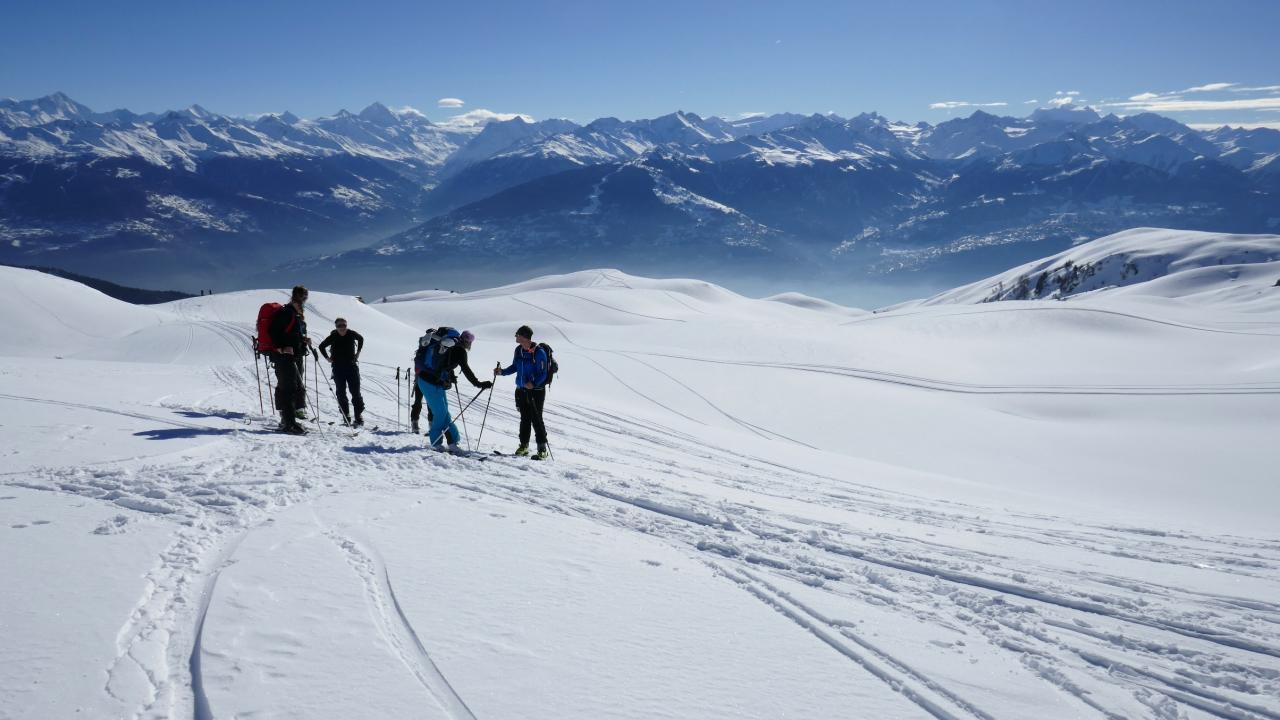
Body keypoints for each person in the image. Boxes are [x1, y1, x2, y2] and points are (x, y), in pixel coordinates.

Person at [416, 329, 492, 452]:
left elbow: (445, 363)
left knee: (445, 414)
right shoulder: (459, 351)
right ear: (468, 342)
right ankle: (436, 443)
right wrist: (478, 384)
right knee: (440, 414)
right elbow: (466, 369)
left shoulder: (450, 346)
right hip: (429, 382)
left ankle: (453, 443)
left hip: (431, 381)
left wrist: (450, 375)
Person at [495, 325, 550, 459]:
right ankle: (524, 446)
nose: (516, 337)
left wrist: (534, 383)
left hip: (536, 391)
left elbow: (543, 373)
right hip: (521, 390)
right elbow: (515, 366)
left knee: (537, 419)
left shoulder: (539, 352)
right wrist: (502, 372)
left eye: (518, 335)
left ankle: (542, 449)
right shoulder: (518, 350)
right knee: (524, 419)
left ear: (524, 337)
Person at [267, 285, 310, 434]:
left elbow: (291, 335)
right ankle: (289, 424)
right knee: (288, 388)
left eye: (304, 297)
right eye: (301, 297)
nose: (303, 300)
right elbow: (272, 331)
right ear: (295, 297)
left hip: (295, 356)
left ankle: (288, 420)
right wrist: (281, 348)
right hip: (284, 357)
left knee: (294, 386)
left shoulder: (295, 314)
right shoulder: (286, 313)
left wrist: (303, 341)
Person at [319, 317, 365, 426]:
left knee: (355, 392)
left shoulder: (351, 333)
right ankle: (346, 415)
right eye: (339, 326)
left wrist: (358, 352)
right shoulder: (333, 336)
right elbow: (321, 346)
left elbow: (361, 339)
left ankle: (358, 415)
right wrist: (327, 358)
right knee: (341, 392)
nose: (342, 328)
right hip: (338, 368)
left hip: (351, 366)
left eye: (344, 325)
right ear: (336, 327)